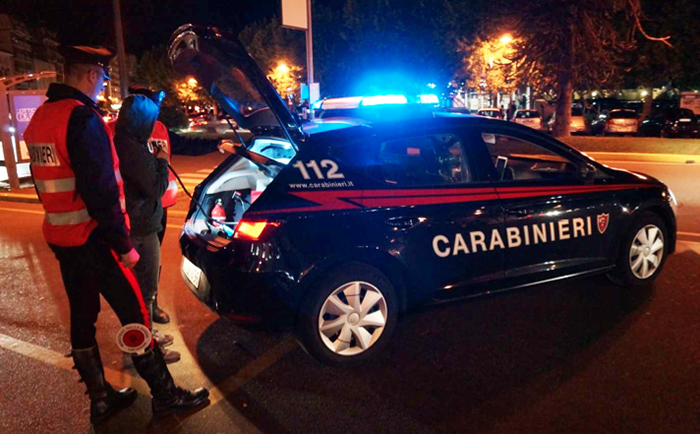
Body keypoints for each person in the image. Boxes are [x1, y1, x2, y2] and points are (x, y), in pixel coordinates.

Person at [24, 45, 208, 425]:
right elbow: (102, 192)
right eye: (102, 77)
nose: (102, 84)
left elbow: (45, 185)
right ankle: (165, 396)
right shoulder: (81, 119)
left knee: (83, 317)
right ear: (91, 74)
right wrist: (124, 246)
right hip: (95, 239)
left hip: (62, 239)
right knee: (136, 313)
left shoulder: (42, 118)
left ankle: (101, 400)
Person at [126, 85, 225, 324]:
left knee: (152, 261)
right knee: (137, 263)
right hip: (136, 208)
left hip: (159, 208)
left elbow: (188, 145)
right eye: (153, 107)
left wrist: (217, 143)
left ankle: (151, 305)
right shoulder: (124, 135)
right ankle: (138, 313)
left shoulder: (160, 129)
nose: (156, 112)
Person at [112, 92, 180, 363]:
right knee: (144, 293)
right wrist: (162, 160)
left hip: (136, 224)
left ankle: (146, 337)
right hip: (140, 228)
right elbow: (154, 188)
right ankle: (146, 350)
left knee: (140, 294)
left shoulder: (124, 142)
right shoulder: (131, 149)